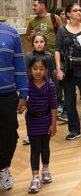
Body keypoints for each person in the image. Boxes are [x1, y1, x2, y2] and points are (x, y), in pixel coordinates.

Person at [55, 3, 81, 140]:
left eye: (80, 10)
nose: (79, 12)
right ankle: (74, 130)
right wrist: (58, 69)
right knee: (70, 101)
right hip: (68, 70)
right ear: (68, 14)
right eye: (75, 10)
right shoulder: (62, 30)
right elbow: (57, 50)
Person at [0, 22, 28, 191]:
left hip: (7, 95)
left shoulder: (11, 33)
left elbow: (19, 65)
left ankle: (3, 167)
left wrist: (24, 93)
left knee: (9, 135)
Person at [24, 58, 57, 193]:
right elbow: (22, 103)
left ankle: (46, 169)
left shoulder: (50, 85)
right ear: (30, 70)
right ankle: (35, 177)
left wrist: (53, 124)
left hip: (46, 120)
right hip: (32, 121)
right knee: (35, 148)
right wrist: (20, 106)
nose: (38, 71)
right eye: (35, 68)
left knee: (45, 147)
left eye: (41, 69)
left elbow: (53, 106)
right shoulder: (26, 85)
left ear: (46, 71)